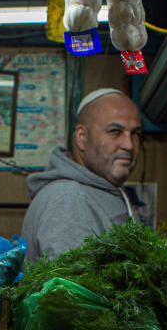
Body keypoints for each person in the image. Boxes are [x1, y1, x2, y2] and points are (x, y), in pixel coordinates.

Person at [21, 88, 143, 262]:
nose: (129, 145)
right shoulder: (69, 199)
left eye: (135, 134)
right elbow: (73, 287)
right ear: (82, 138)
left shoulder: (94, 191)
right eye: (115, 131)